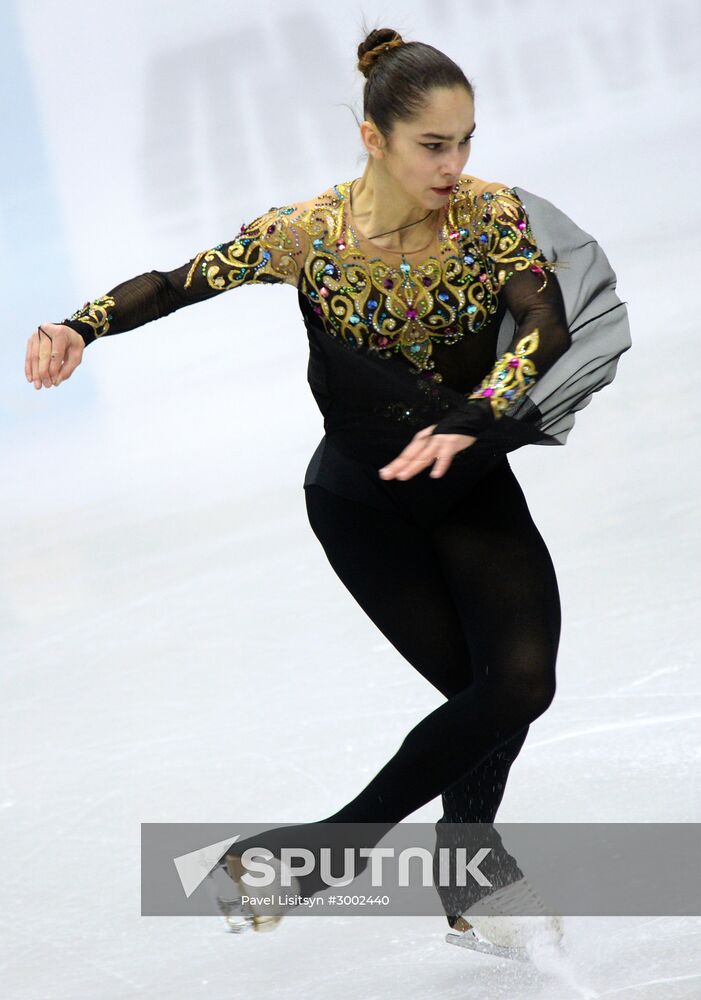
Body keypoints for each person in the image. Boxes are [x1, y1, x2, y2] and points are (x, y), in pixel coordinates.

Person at [25, 27, 631, 947]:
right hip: (361, 505)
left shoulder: (490, 215)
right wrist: (80, 326)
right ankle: (465, 870)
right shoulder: (307, 232)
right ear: (372, 138)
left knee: (516, 686)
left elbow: (543, 324)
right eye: (433, 144)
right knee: (485, 696)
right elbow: (180, 282)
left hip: (467, 482)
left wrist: (479, 412)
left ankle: (335, 854)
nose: (454, 163)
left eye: (466, 141)